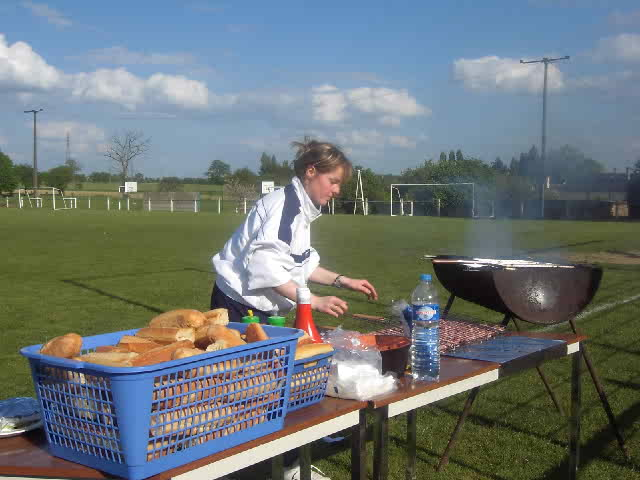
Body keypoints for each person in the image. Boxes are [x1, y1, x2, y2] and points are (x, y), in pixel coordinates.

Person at [211, 138, 378, 323]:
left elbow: (299, 264)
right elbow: (265, 266)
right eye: (333, 181)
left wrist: (343, 281)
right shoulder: (287, 208)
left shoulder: (299, 208)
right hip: (239, 306)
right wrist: (313, 301)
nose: (337, 190)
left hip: (253, 306)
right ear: (311, 171)